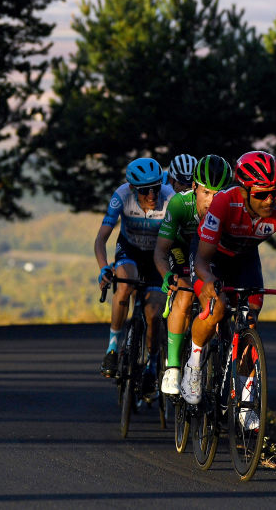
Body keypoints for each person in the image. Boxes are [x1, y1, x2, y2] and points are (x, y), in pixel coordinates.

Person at [180, 150, 276, 414]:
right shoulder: (225, 202)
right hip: (210, 255)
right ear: (244, 190)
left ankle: (246, 403)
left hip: (245, 258)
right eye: (261, 194)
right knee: (216, 307)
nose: (270, 200)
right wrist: (210, 283)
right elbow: (202, 262)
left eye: (275, 191)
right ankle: (193, 363)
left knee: (249, 323)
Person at [94, 157, 174, 399]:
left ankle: (151, 365)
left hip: (159, 256)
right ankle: (113, 349)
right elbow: (101, 239)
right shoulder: (121, 196)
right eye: (144, 190)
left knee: (153, 313)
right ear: (132, 188)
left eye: (155, 188)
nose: (151, 195)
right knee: (124, 286)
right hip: (129, 250)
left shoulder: (170, 198)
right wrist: (103, 268)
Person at [154, 154, 234, 396]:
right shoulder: (180, 204)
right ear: (195, 187)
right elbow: (160, 250)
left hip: (210, 251)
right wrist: (167, 275)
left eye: (218, 195)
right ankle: (174, 368)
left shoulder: (229, 208)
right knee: (186, 292)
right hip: (180, 248)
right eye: (207, 193)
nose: (212, 201)